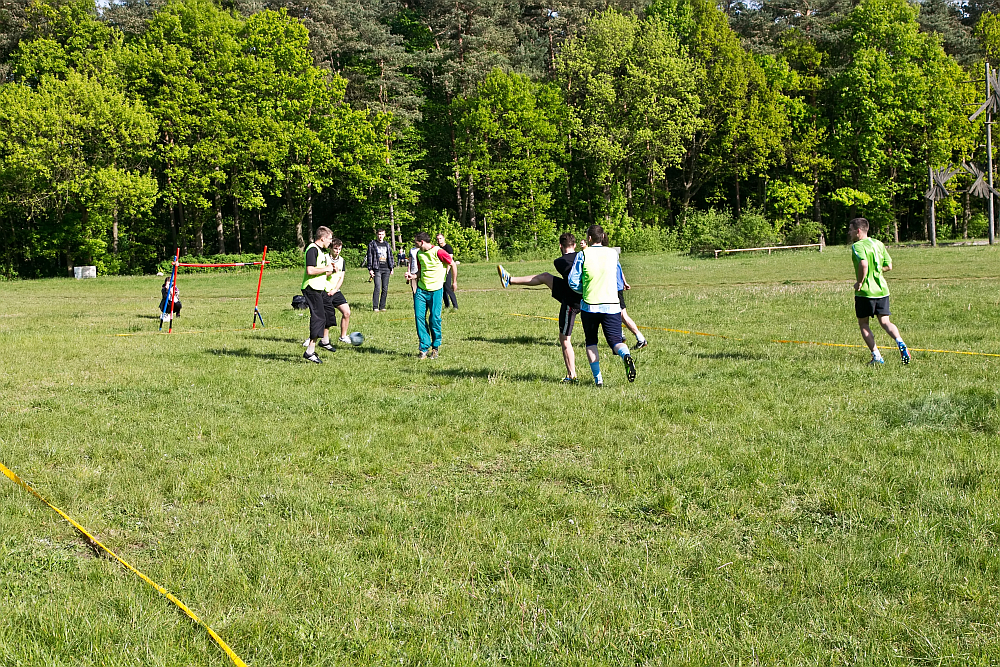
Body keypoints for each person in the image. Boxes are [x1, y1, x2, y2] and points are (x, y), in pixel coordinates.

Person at [497, 232, 582, 382]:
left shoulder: (559, 261)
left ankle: (572, 375)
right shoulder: (583, 257)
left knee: (565, 339)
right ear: (575, 245)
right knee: (545, 277)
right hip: (589, 296)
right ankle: (509, 280)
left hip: (572, 301)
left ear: (560, 246)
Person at [567, 224, 636, 386]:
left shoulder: (583, 254)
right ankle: (625, 355)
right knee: (616, 341)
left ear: (589, 238)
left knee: (591, 341)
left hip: (590, 305)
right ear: (603, 237)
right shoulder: (613, 254)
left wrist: (584, 289)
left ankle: (598, 380)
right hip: (612, 305)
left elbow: (572, 281)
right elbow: (617, 277)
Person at [848, 217, 910, 365]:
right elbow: (889, 266)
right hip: (882, 290)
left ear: (858, 231)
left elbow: (863, 264)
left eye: (850, 230)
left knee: (863, 324)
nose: (849, 233)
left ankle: (877, 356)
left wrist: (860, 282)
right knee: (885, 321)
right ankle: (900, 342)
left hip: (866, 292)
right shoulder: (878, 244)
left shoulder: (857, 246)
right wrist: (876, 271)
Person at [405, 231, 457, 359]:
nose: (414, 245)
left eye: (416, 242)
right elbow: (420, 271)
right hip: (421, 291)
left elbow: (452, 264)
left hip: (436, 290)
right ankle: (424, 348)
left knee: (434, 319)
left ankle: (435, 347)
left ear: (422, 242)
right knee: (419, 317)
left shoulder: (439, 252)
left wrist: (454, 282)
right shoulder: (419, 254)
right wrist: (413, 276)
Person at [301, 238, 352, 347]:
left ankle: (343, 336)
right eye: (335, 249)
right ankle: (312, 338)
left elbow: (341, 278)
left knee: (347, 312)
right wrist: (330, 271)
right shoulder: (324, 258)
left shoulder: (342, 260)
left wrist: (335, 290)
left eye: (339, 249)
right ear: (330, 248)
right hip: (324, 290)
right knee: (320, 316)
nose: (337, 251)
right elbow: (320, 274)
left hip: (335, 291)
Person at [301, 226, 337, 363]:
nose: (330, 242)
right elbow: (310, 271)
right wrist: (326, 268)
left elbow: (321, 272)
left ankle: (324, 341)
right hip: (311, 288)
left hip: (320, 288)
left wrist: (330, 270)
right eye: (329, 239)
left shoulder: (321, 251)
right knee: (319, 318)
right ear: (322, 238)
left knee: (328, 312)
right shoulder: (312, 249)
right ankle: (310, 351)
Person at [366, 228, 395, 311]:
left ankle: (382, 306)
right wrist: (370, 269)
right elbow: (369, 257)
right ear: (377, 235)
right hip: (377, 268)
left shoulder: (387, 244)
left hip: (386, 268)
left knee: (385, 288)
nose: (380, 236)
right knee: (377, 287)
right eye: (379, 234)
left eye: (382, 234)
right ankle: (375, 307)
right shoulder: (372, 244)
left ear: (384, 235)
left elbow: (390, 256)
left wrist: (391, 267)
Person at [436, 232, 459, 310]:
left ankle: (455, 306)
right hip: (440, 271)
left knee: (448, 288)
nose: (439, 240)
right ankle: (447, 305)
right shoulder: (438, 248)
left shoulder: (448, 248)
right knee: (442, 289)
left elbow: (449, 261)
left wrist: (447, 271)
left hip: (446, 271)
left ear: (444, 238)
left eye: (440, 238)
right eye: (437, 239)